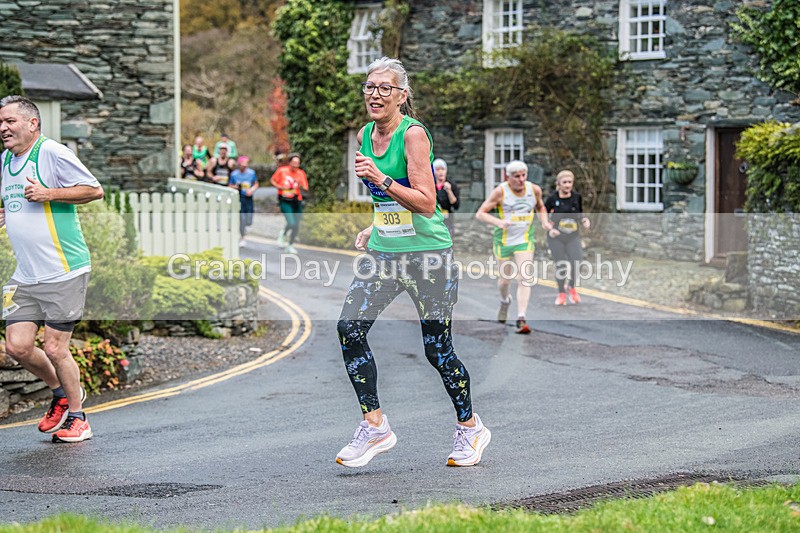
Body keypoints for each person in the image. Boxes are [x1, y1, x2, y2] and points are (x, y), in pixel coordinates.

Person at [335, 57, 491, 468]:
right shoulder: (365, 135)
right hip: (386, 253)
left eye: (385, 88)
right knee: (349, 328)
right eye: (370, 86)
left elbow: (426, 202)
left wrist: (383, 179)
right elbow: (386, 202)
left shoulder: (413, 135)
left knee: (437, 350)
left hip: (428, 256)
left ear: (402, 96)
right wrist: (376, 225)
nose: (375, 94)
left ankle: (470, 428)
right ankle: (375, 427)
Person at [0, 95, 104, 443]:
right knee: (17, 346)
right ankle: (60, 394)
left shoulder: (52, 152)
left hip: (63, 269)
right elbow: (15, 203)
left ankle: (79, 418)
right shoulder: (5, 161)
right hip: (26, 274)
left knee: (57, 348)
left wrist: (49, 193)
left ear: (32, 123)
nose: (3, 128)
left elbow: (94, 190)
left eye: (10, 121)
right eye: (1, 123)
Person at [475, 160, 552, 334]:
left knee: (524, 277)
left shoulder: (534, 190)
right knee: (504, 281)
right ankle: (505, 301)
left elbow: (541, 207)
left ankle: (521, 318)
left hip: (524, 240)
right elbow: (480, 213)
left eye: (523, 175)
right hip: (503, 241)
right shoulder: (501, 192)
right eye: (516, 176)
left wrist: (545, 222)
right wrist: (499, 222)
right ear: (508, 177)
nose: (521, 179)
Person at [545, 169, 590, 305]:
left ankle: (571, 286)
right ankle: (561, 293)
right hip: (556, 237)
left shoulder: (576, 197)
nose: (567, 185)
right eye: (564, 182)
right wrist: (550, 228)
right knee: (561, 265)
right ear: (558, 183)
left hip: (572, 235)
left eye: (570, 182)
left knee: (577, 262)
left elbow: (580, 213)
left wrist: (584, 221)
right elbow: (543, 217)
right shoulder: (553, 199)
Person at [270, 153, 307, 254]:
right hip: (285, 200)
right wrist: (280, 187)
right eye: (294, 162)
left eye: (297, 163)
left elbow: (305, 187)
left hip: (296, 200)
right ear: (290, 162)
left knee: (296, 224)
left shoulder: (301, 173)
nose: (295, 165)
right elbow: (272, 180)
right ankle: (284, 233)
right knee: (291, 222)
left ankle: (290, 245)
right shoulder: (282, 171)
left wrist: (300, 185)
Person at [228, 155, 258, 247]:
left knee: (248, 220)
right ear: (239, 164)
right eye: (242, 164)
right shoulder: (234, 174)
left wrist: (252, 190)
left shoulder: (251, 173)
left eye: (246, 164)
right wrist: (236, 187)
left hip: (248, 198)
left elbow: (256, 184)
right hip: (239, 198)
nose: (244, 166)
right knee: (242, 218)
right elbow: (230, 185)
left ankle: (244, 229)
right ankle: (242, 236)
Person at [433, 158, 459, 235]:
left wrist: (449, 191)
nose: (440, 172)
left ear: (446, 171)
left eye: (443, 169)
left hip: (448, 219)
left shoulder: (452, 185)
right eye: (437, 169)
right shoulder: (430, 185)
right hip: (434, 219)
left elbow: (456, 205)